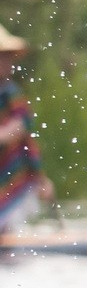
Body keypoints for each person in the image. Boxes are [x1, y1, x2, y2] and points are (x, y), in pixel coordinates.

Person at [0, 25, 53, 234]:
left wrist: (40, 177)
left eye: (8, 57)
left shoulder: (12, 94)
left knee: (7, 229)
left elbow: (21, 131)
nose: (7, 62)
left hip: (15, 176)